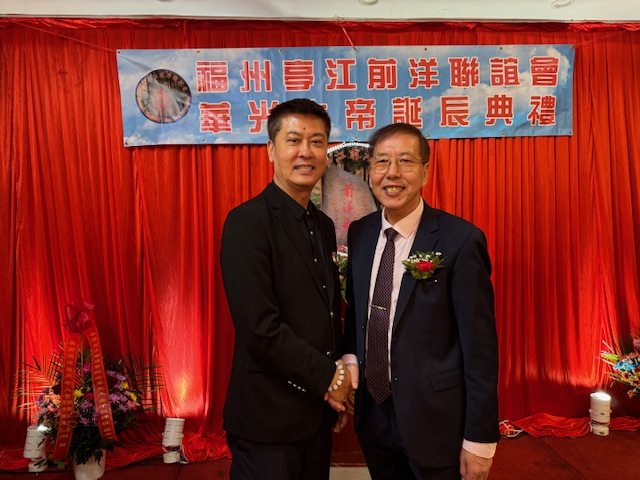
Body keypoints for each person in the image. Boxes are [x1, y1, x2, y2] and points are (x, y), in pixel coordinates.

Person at [342, 123, 499, 480]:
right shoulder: (360, 232)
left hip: (436, 419)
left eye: (405, 161)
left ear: (425, 172)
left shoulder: (461, 240)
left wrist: (479, 438)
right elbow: (356, 313)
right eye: (382, 161)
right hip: (374, 414)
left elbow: (481, 347)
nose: (392, 173)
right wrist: (350, 360)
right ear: (369, 171)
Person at [220, 98, 351, 480]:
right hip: (268, 419)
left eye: (317, 141)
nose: (306, 152)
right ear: (270, 149)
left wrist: (333, 390)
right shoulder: (247, 222)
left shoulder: (323, 224)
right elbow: (259, 328)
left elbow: (326, 313)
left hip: (316, 413)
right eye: (294, 140)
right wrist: (331, 378)